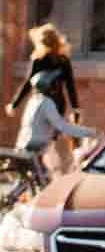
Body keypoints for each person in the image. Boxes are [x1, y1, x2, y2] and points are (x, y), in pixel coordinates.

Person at [10, 23, 85, 180]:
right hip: (52, 106)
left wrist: (14, 104)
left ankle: (38, 174)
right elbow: (70, 87)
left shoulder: (43, 60)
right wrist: (76, 109)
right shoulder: (59, 61)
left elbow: (27, 85)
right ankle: (41, 174)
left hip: (42, 106)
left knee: (38, 140)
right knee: (44, 141)